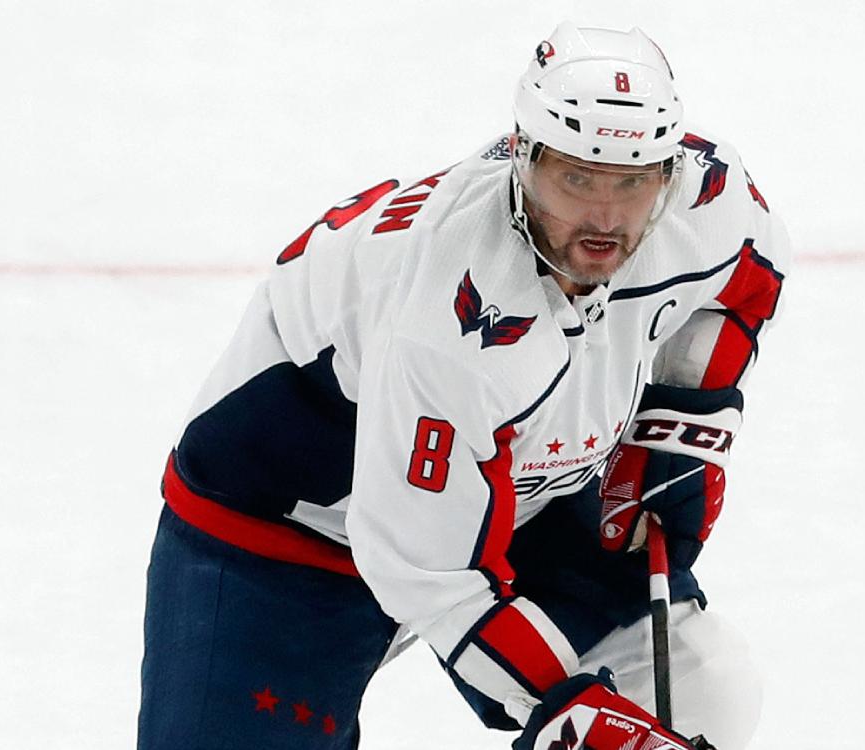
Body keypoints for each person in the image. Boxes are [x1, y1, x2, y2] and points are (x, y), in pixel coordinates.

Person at [138, 21, 788, 750]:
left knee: (701, 688)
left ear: (668, 174)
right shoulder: (448, 319)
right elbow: (428, 571)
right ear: (523, 158)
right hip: (290, 527)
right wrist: (566, 709)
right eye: (577, 179)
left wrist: (675, 429)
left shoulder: (708, 197)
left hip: (519, 492)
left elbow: (748, 278)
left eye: (631, 184)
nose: (605, 220)